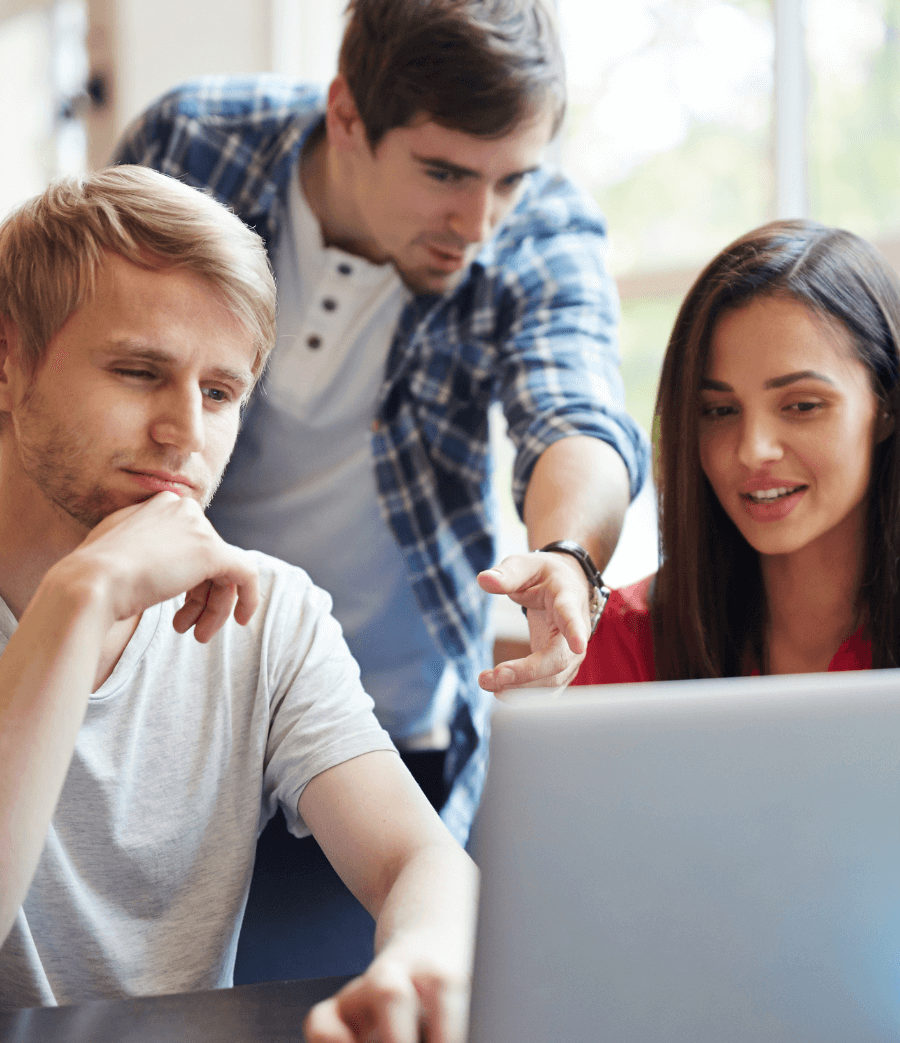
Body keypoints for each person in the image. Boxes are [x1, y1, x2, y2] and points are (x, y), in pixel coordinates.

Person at [112, 0, 650, 841]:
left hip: (383, 729)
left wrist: (569, 554)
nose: (479, 225)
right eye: (443, 173)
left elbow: (575, 409)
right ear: (348, 116)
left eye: (509, 179)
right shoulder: (190, 147)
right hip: (162, 709)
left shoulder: (540, 227)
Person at [0, 165, 478, 1043]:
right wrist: (83, 593)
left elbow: (421, 860)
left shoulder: (273, 613)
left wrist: (416, 960)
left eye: (220, 393)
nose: (186, 431)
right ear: (8, 359)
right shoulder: (83, 592)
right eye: (140, 371)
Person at [573, 219, 900, 686]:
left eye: (802, 405)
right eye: (720, 411)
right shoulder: (628, 639)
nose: (752, 451)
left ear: (886, 405)